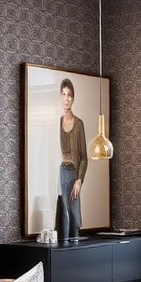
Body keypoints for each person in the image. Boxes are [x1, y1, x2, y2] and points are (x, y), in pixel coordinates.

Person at [57, 77, 87, 239]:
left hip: (74, 173)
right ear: (60, 96)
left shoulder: (79, 124)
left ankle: (74, 246)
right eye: (64, 94)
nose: (67, 98)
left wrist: (79, 180)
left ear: (73, 98)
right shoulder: (57, 122)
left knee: (74, 213)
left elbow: (84, 157)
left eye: (70, 95)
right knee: (64, 213)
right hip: (62, 172)